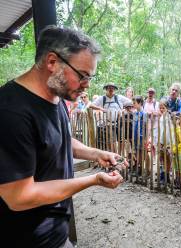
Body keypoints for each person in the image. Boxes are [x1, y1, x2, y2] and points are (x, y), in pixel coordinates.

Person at [0, 26, 127, 248]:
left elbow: (58, 140)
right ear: (52, 62)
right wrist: (94, 180)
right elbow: (19, 197)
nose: (87, 84)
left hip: (56, 233)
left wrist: (96, 153)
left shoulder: (55, 96)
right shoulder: (11, 111)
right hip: (26, 239)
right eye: (82, 75)